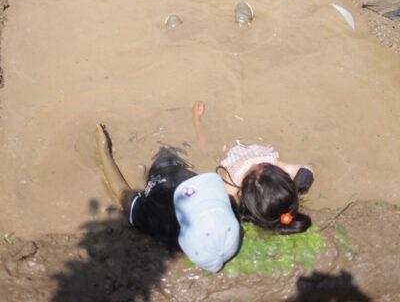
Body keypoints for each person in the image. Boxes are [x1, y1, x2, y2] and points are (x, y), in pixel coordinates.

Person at [95, 123, 240, 272]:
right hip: (182, 163)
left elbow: (122, 193)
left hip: (157, 164)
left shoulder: (156, 219)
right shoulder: (229, 207)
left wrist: (103, 151)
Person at [192, 101, 313, 235]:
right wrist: (300, 186)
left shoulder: (231, 182)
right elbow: (309, 170)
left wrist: (196, 120)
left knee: (207, 148)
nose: (254, 164)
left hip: (232, 151)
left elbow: (205, 145)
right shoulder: (274, 164)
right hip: (250, 145)